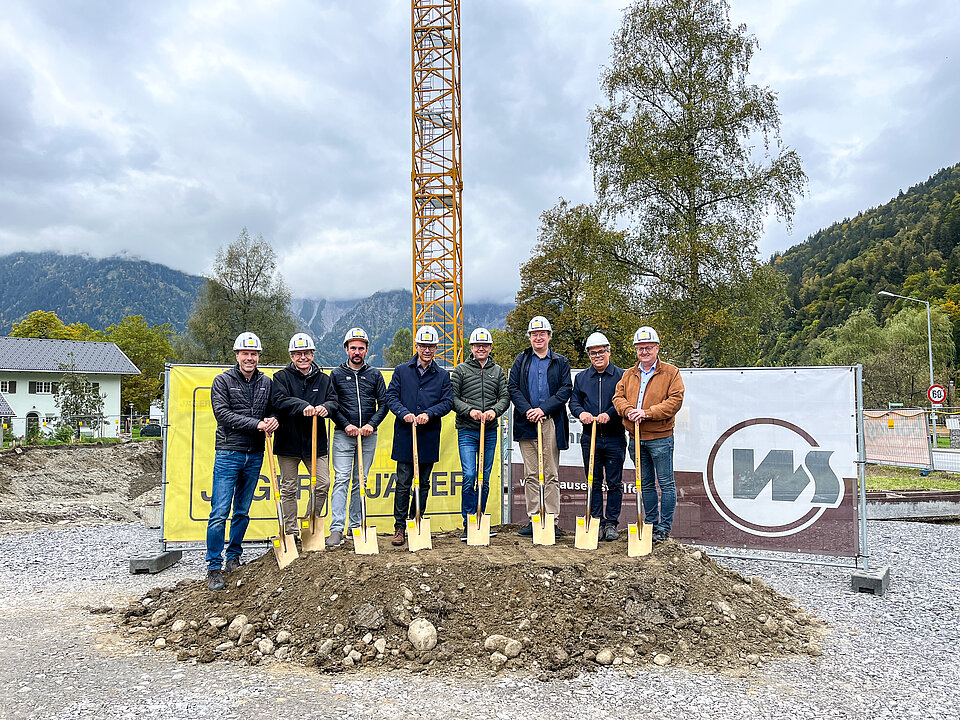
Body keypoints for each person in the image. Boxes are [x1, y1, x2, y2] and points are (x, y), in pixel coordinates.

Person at [206, 332, 278, 591]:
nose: (250, 358)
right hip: (229, 452)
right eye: (245, 353)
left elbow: (272, 409)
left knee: (242, 511)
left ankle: (233, 557)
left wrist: (272, 419)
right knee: (219, 513)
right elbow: (223, 415)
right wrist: (258, 424)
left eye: (254, 354)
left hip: (255, 453)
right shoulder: (222, 381)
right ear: (236, 355)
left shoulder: (266, 382)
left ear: (259, 356)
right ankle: (213, 567)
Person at [612, 326, 685, 543]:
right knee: (645, 484)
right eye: (640, 348)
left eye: (648, 348)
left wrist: (647, 413)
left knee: (666, 483)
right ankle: (651, 524)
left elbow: (675, 401)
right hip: (636, 438)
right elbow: (618, 397)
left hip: (660, 437)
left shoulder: (671, 373)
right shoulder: (629, 374)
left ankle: (664, 528)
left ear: (656, 348)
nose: (644, 352)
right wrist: (628, 411)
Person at [385, 325, 453, 546]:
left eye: (431, 346)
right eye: (423, 346)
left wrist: (429, 414)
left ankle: (418, 521)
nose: (426, 350)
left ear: (436, 348)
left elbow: (448, 402)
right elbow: (391, 397)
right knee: (403, 482)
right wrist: (404, 413)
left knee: (422, 483)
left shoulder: (442, 375)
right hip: (405, 435)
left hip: (428, 436)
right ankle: (399, 527)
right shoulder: (402, 371)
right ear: (417, 346)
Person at [270, 333, 339, 549]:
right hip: (288, 441)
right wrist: (302, 406)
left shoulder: (324, 379)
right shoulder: (280, 377)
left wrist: (326, 408)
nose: (303, 357)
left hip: (315, 443)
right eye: (298, 353)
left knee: (323, 484)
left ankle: (311, 525)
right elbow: (279, 400)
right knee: (289, 488)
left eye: (307, 353)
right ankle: (290, 533)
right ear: (291, 355)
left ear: (312, 354)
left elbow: (334, 401)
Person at [508, 316, 572, 537]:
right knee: (532, 473)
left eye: (542, 333)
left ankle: (552, 520)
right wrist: (528, 410)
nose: (538, 337)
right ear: (530, 337)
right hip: (527, 423)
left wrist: (543, 409)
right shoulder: (522, 359)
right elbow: (513, 387)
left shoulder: (560, 362)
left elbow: (565, 390)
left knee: (551, 473)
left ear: (549, 336)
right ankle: (535, 518)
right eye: (534, 334)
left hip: (550, 422)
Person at [327, 327, 389, 547]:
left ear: (367, 350)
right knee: (341, 479)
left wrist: (371, 424)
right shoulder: (336, 374)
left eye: (361, 348)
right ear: (346, 349)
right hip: (344, 435)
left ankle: (356, 527)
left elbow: (384, 404)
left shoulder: (374, 374)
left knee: (359, 481)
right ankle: (336, 529)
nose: (357, 351)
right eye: (352, 347)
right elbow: (332, 405)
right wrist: (346, 425)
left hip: (368, 436)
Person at [451, 327, 510, 540]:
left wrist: (495, 411)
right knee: (469, 475)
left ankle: (480, 519)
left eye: (485, 345)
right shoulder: (461, 370)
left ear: (490, 347)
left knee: (484, 477)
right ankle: (468, 522)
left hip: (490, 431)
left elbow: (505, 396)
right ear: (472, 348)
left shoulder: (498, 371)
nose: (481, 348)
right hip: (468, 430)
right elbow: (453, 398)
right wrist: (470, 411)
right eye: (477, 345)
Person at [569, 332, 626, 541]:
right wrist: (581, 413)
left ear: (608, 351)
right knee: (592, 481)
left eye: (601, 351)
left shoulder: (622, 375)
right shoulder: (582, 377)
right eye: (593, 353)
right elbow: (574, 402)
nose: (597, 356)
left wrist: (609, 414)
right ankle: (596, 521)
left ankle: (611, 523)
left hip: (614, 437)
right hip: (589, 437)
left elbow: (623, 400)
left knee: (614, 482)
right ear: (589, 355)